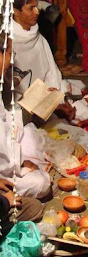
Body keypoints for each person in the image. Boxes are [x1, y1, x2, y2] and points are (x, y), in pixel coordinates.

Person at [12, 0, 88, 128]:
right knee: (66, 114)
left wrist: (58, 100)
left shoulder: (37, 36)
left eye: (37, 7)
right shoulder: (8, 42)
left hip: (46, 93)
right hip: (24, 104)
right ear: (16, 11)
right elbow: (13, 91)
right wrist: (48, 105)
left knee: (87, 93)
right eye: (31, 8)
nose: (37, 12)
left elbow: (52, 72)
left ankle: (66, 112)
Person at [0, 36, 51, 200]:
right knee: (42, 182)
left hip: (8, 155)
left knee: (28, 132)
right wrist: (20, 163)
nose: (10, 59)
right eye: (9, 54)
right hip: (4, 168)